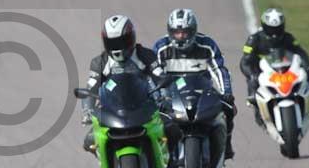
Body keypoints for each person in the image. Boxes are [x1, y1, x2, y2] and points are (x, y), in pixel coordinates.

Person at [153, 8, 237, 160]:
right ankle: (161, 156)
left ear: (193, 31)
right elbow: (153, 75)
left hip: (201, 93)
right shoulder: (161, 48)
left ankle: (227, 144)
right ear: (170, 32)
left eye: (184, 33)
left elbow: (219, 70)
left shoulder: (207, 45)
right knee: (154, 119)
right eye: (176, 33)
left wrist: (227, 93)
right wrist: (157, 97)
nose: (180, 37)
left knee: (229, 109)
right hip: (171, 97)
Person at [80, 14, 164, 154]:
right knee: (89, 141)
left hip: (144, 108)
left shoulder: (145, 55)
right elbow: (91, 87)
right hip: (112, 111)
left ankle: (169, 161)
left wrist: (165, 97)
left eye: (122, 41)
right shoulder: (99, 62)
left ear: (131, 38)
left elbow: (160, 75)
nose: (118, 47)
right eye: (113, 43)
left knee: (172, 130)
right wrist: (87, 111)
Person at [239, 8, 309, 127]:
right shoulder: (254, 39)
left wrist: (307, 66)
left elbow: (300, 52)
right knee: (253, 79)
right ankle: (255, 103)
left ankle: (307, 104)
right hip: (261, 69)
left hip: (283, 68)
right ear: (265, 26)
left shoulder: (288, 37)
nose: (274, 33)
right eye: (271, 29)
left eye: (277, 28)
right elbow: (245, 59)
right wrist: (251, 73)